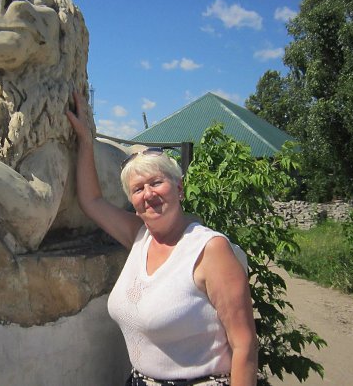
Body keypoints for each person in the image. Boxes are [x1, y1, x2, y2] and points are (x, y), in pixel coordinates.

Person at [66, 92, 258, 386]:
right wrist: (85, 139)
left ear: (179, 188)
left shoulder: (209, 250)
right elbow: (92, 201)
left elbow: (244, 344)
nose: (148, 194)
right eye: (138, 189)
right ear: (132, 201)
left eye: (157, 182)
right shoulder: (139, 237)